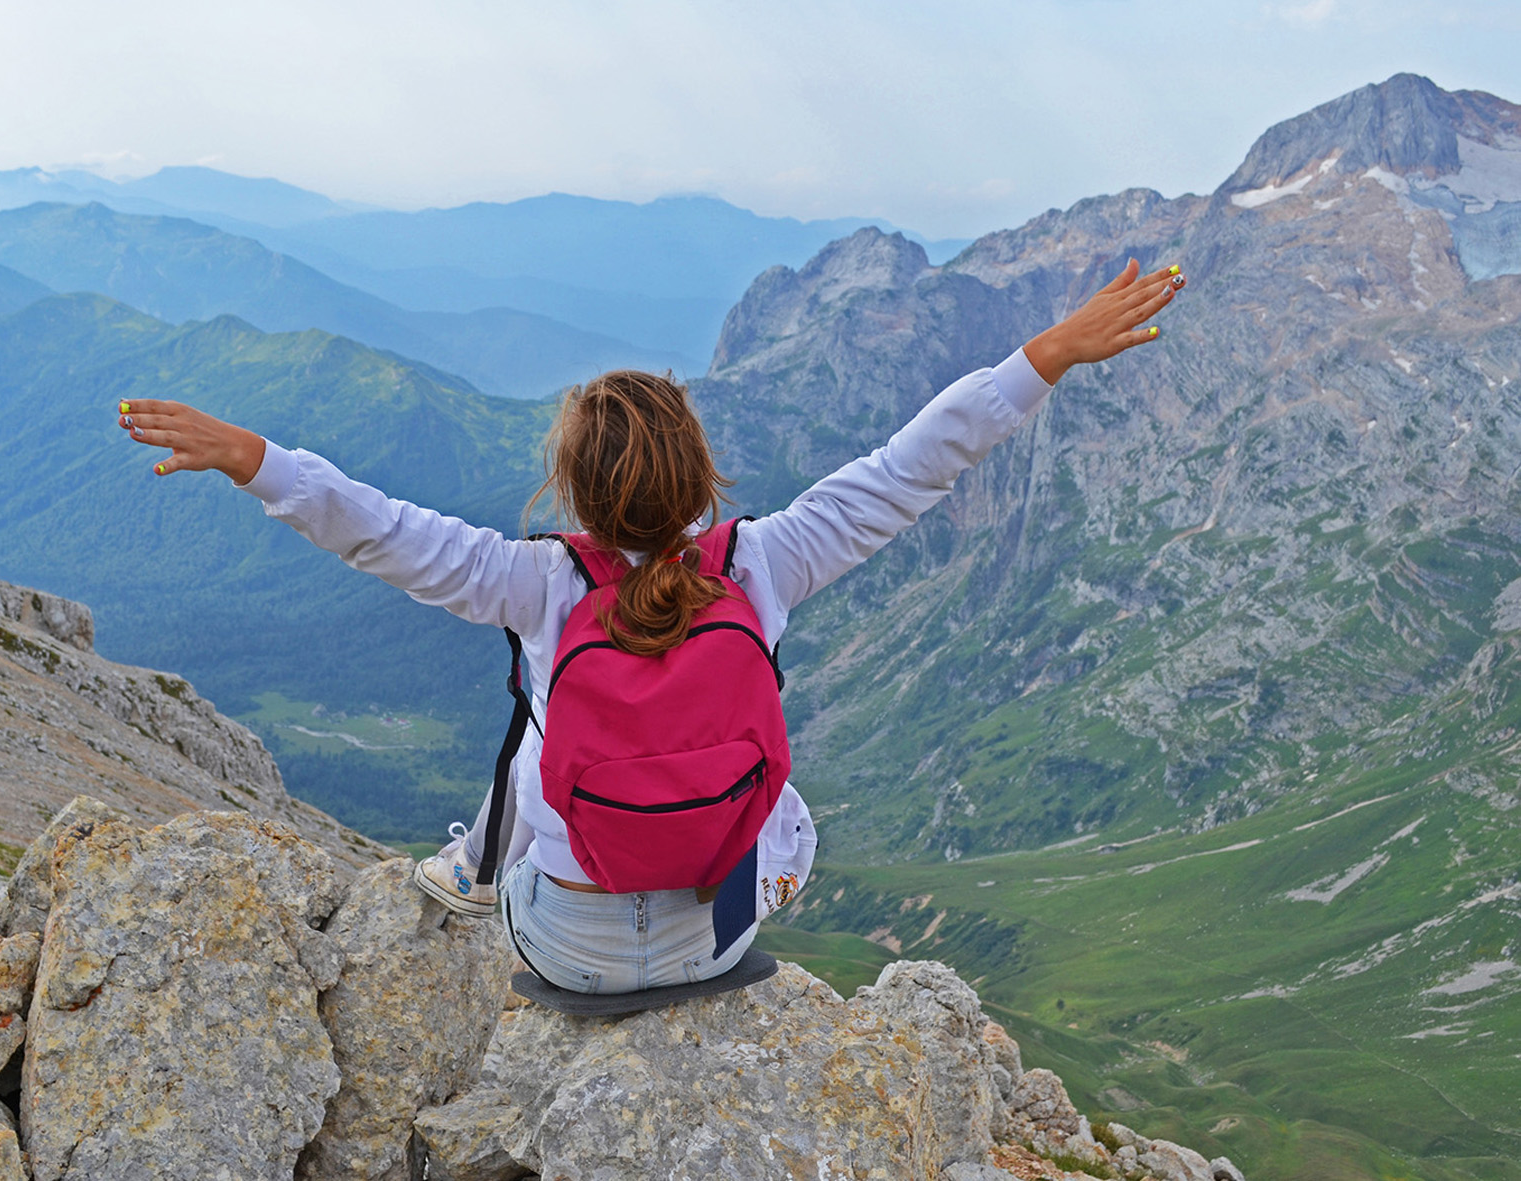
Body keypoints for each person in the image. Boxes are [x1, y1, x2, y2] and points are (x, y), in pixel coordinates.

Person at [116, 258, 1184, 995]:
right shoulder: (765, 564)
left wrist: (252, 455)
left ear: (571, 492)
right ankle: (671, 890)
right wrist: (1044, 353)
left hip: (565, 951)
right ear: (700, 480)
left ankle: (469, 867)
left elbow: (379, 529)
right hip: (716, 948)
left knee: (540, 725)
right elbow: (913, 464)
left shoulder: (532, 582)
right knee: (785, 795)